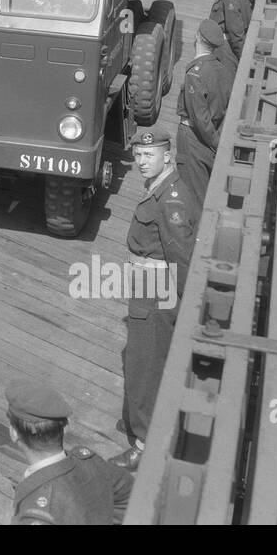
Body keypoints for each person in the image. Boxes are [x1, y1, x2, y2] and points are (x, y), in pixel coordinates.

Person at [111, 130, 199, 472]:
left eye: (149, 155)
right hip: (148, 285)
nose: (141, 162)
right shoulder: (163, 188)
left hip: (157, 291)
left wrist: (182, 307)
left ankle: (144, 441)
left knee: (144, 365)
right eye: (138, 156)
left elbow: (183, 257)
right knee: (142, 357)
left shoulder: (171, 199)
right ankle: (138, 419)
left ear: (167, 156)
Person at [5, 378, 132, 524]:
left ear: (13, 433)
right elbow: (128, 493)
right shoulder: (90, 461)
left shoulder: (36, 516)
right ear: (66, 428)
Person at [174, 21, 234, 207]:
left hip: (194, 138)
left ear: (197, 37)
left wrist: (215, 143)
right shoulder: (223, 70)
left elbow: (199, 117)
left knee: (192, 196)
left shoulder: (196, 74)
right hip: (212, 134)